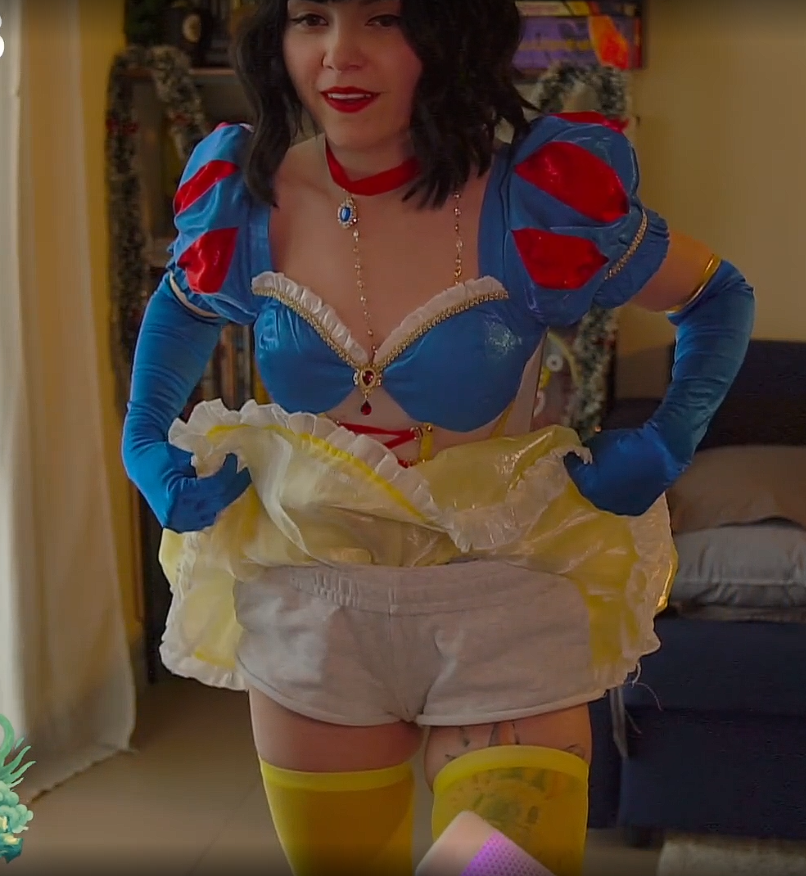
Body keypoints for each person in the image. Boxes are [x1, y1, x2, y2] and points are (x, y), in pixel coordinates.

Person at [121, 0, 755, 873]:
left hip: (501, 591)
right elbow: (184, 304)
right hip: (313, 602)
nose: (340, 54)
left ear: (448, 34)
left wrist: (669, 439)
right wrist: (143, 441)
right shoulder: (246, 197)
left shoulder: (537, 200)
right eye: (312, 17)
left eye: (383, 18)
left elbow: (717, 295)